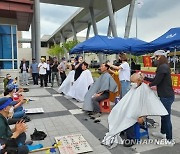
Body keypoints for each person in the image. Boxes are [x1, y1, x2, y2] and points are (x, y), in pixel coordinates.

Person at [102, 72, 168, 148]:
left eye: (133, 82)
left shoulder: (145, 90)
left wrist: (142, 117)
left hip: (141, 114)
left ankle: (131, 139)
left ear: (139, 81)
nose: (131, 83)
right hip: (133, 110)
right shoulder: (134, 88)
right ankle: (122, 129)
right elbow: (128, 101)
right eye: (131, 81)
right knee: (117, 112)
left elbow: (147, 106)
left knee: (129, 117)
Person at [144, 50, 175, 145]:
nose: (155, 60)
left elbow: (156, 81)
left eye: (156, 58)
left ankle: (169, 140)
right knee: (163, 116)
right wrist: (145, 78)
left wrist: (147, 84)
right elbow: (155, 79)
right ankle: (163, 133)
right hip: (165, 95)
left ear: (160, 57)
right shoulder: (163, 67)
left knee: (166, 117)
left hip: (166, 96)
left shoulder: (163, 67)